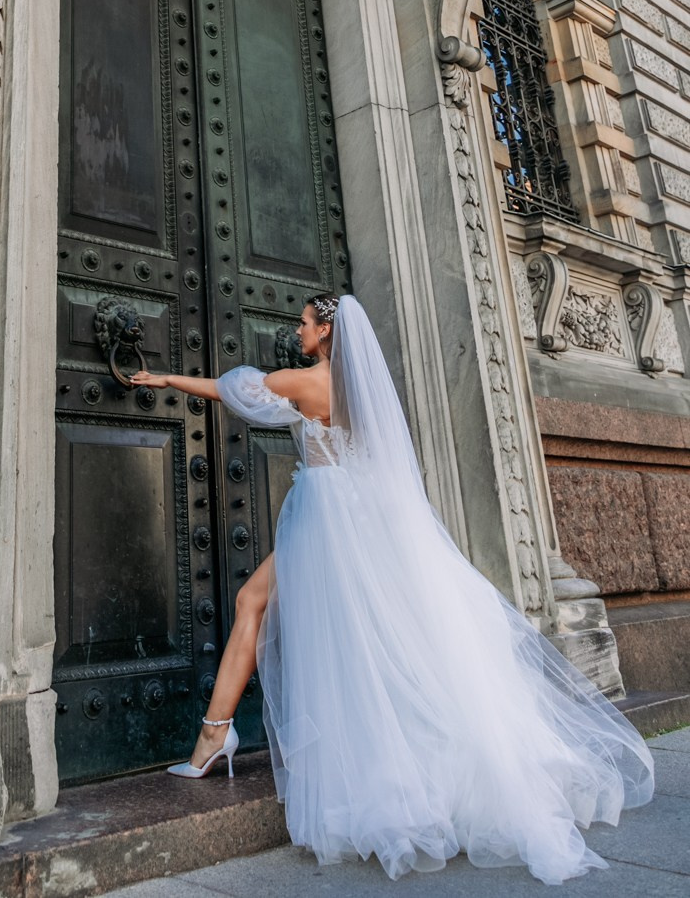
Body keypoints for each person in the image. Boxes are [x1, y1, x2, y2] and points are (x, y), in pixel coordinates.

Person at [131, 294, 654, 885]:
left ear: (326, 331)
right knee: (340, 626)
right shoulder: (360, 391)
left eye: (304, 322)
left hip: (323, 515)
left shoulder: (304, 382)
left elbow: (235, 390)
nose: (297, 330)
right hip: (358, 513)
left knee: (278, 611)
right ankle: (216, 736)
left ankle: (216, 738)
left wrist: (167, 377)